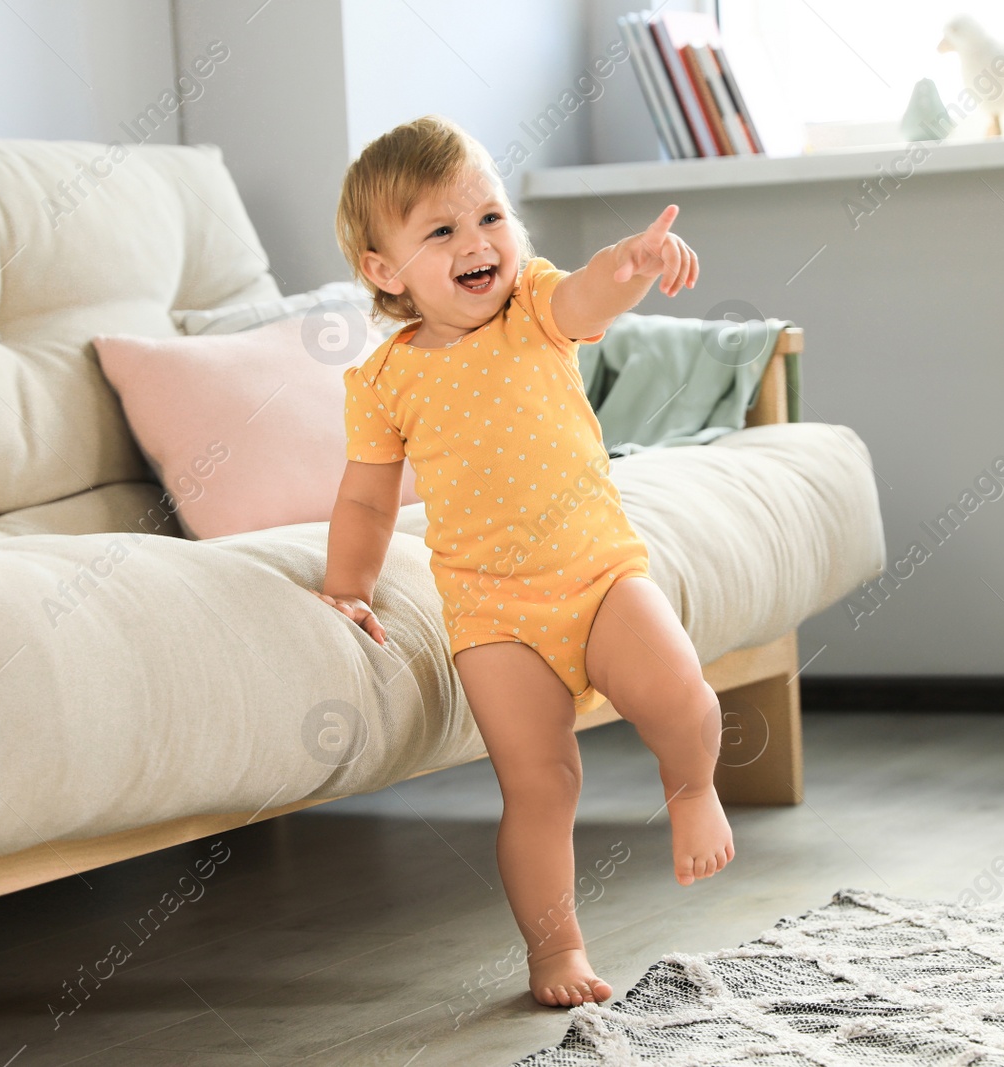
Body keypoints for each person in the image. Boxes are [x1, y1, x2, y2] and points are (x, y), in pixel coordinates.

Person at [320, 114, 732, 1008]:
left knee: (684, 698)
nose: (479, 243)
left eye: (491, 217)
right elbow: (364, 499)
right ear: (386, 272)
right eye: (442, 230)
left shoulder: (534, 308)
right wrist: (345, 587)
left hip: (599, 579)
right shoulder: (384, 381)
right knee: (539, 783)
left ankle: (691, 786)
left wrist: (626, 268)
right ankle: (554, 952)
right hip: (491, 616)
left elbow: (588, 298)